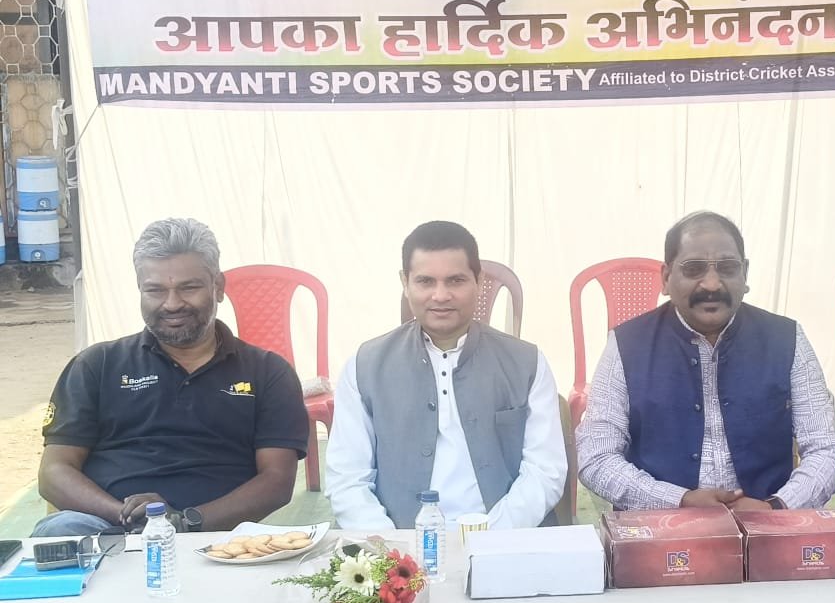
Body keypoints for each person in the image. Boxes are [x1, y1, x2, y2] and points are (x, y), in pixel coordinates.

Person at [33, 218, 310, 536]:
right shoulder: (97, 365)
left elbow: (277, 482)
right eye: (155, 290)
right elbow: (54, 471)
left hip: (215, 538)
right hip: (104, 529)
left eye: (189, 288)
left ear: (218, 287)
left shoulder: (268, 372)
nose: (173, 304)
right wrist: (133, 518)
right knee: (62, 531)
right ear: (140, 290)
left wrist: (185, 522)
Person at [576, 211, 835, 511]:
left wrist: (777, 507)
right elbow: (596, 457)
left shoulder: (787, 338)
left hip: (767, 526)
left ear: (745, 274)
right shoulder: (627, 344)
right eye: (694, 269)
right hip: (660, 528)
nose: (712, 284)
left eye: (728, 268)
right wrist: (677, 501)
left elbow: (826, 447)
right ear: (666, 278)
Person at [325, 221, 566, 530]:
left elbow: (545, 471)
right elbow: (347, 477)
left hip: (505, 536)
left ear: (478, 281)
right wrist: (392, 546)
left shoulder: (526, 362)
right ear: (405, 282)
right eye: (425, 281)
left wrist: (491, 537)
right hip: (397, 541)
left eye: (456, 280)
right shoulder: (366, 365)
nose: (440, 295)